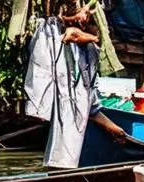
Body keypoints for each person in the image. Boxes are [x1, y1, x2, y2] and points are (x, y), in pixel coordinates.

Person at [26, 1, 127, 169]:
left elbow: (91, 107)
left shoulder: (91, 53)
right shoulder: (58, 44)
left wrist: (113, 127)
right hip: (60, 155)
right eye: (97, 28)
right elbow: (69, 34)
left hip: (78, 154)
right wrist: (92, 35)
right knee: (58, 172)